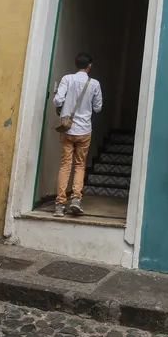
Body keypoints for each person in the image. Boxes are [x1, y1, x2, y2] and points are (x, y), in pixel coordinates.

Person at [52, 53, 104, 217]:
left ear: (76, 64)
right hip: (84, 131)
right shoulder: (94, 84)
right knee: (80, 165)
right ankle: (76, 199)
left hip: (68, 129)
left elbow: (57, 101)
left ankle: (60, 205)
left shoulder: (67, 79)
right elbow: (98, 108)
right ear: (90, 66)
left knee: (65, 165)